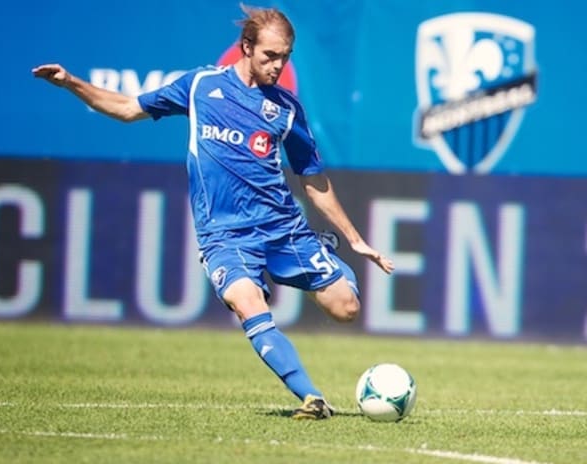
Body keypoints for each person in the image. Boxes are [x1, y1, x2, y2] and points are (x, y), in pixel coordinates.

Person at [32, 4, 394, 420]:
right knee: (248, 304)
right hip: (225, 236)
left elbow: (312, 179)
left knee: (345, 309)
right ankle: (312, 398)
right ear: (246, 47)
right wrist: (71, 82)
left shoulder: (286, 109)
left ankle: (322, 251)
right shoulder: (201, 86)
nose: (278, 65)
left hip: (283, 229)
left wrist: (354, 239)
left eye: (285, 57)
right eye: (269, 56)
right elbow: (128, 108)